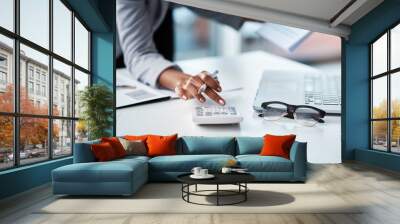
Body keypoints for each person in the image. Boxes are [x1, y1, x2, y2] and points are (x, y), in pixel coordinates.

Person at [116, 0, 244, 105]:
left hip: (156, 17)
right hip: (112, 50)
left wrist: (260, 10)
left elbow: (219, 7)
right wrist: (185, 82)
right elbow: (138, 55)